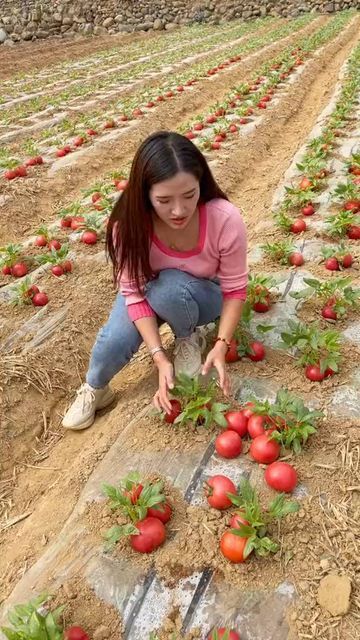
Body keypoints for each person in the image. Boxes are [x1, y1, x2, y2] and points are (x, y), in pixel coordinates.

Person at [62, 131, 248, 430]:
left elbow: (236, 288)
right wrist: (159, 356)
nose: (178, 210)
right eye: (164, 200)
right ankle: (96, 389)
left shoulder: (224, 218)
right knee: (114, 340)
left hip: (202, 295)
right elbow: (134, 294)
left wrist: (221, 344)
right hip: (148, 290)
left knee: (169, 287)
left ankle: (188, 336)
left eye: (189, 195)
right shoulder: (128, 227)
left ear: (202, 184)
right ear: (144, 194)